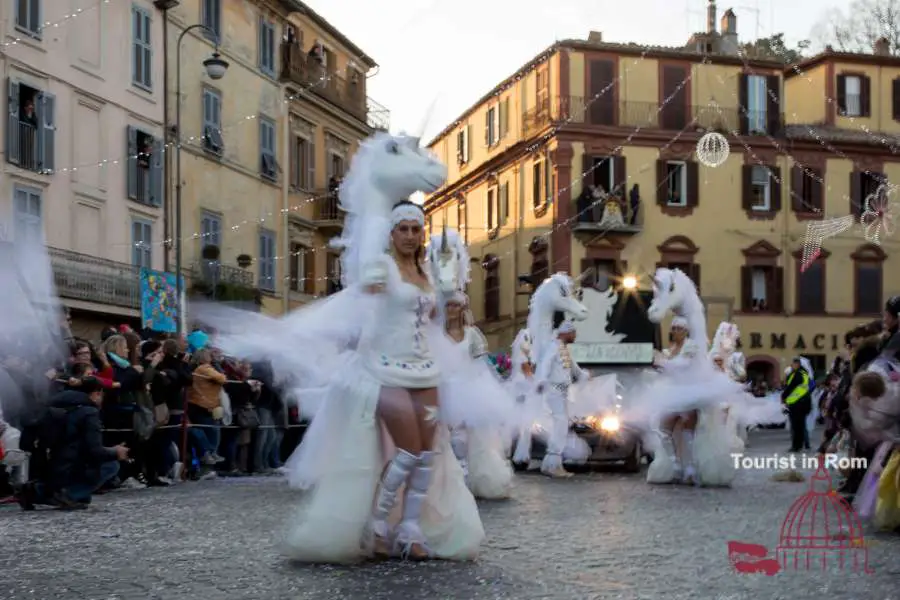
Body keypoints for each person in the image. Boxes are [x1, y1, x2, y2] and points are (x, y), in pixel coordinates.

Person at [17, 378, 129, 510]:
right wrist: (116, 452)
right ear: (96, 393)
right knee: (111, 465)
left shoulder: (56, 405)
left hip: (47, 464)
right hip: (71, 466)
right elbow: (94, 451)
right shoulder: (89, 412)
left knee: (83, 495)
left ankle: (34, 491)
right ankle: (67, 495)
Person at [443, 292, 513, 499]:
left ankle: (465, 479)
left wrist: (485, 389)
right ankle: (451, 480)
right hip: (444, 387)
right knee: (448, 436)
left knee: (466, 436)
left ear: (462, 309)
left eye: (456, 306)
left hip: (467, 388)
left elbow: (481, 364)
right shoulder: (437, 335)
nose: (452, 310)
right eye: (448, 306)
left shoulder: (472, 334)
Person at [534, 320, 588, 478]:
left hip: (562, 391)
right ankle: (552, 463)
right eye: (573, 333)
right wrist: (542, 380)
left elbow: (572, 367)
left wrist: (583, 375)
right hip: (554, 390)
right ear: (566, 333)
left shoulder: (562, 348)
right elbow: (545, 364)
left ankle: (552, 463)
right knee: (560, 423)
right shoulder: (553, 347)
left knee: (562, 423)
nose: (575, 336)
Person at [782, 358, 812, 453]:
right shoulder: (805, 374)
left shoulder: (797, 374)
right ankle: (800, 444)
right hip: (803, 403)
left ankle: (796, 446)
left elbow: (790, 387)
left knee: (796, 426)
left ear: (798, 364)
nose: (792, 366)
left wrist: (783, 396)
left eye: (794, 364)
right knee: (801, 426)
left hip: (797, 404)